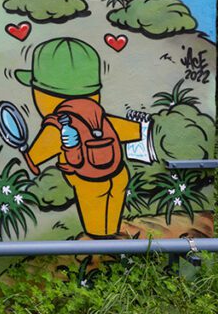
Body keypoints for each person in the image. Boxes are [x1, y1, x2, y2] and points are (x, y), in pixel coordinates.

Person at [16, 37, 141, 238]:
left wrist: (27, 154)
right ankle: (112, 238)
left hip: (88, 178)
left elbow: (35, 157)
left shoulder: (58, 124)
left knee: (95, 228)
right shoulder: (99, 114)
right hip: (118, 172)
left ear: (43, 94)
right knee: (112, 216)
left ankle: (99, 241)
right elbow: (132, 130)